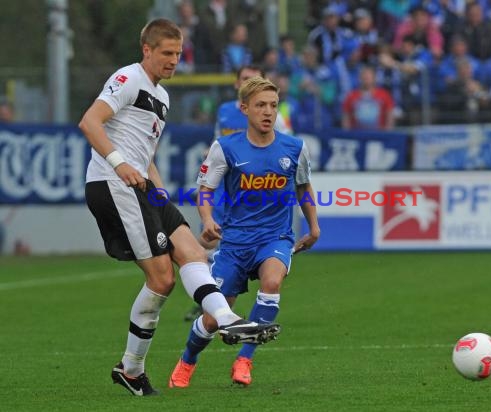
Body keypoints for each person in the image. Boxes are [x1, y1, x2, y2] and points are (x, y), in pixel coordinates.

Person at [78, 18, 279, 397]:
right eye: (167, 53)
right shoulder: (128, 79)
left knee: (193, 252)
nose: (174, 61)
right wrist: (120, 163)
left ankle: (225, 317)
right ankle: (132, 368)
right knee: (162, 279)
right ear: (147, 50)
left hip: (143, 186)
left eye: (178, 54)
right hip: (113, 184)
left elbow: (146, 154)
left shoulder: (163, 97)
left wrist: (161, 196)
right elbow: (90, 122)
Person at [169, 76, 320, 388]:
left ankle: (244, 359)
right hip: (235, 242)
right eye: (261, 105)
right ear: (244, 109)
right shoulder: (225, 147)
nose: (268, 112)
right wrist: (208, 219)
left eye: (273, 106)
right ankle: (187, 360)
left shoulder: (294, 148)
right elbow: (205, 189)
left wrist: (314, 226)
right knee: (212, 319)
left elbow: (303, 186)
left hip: (275, 237)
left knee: (273, 280)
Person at [183, 64, 292, 322]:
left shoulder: (273, 115)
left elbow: (286, 146)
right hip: (226, 186)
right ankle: (210, 300)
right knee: (209, 241)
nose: (249, 81)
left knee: (243, 245)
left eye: (255, 78)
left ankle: (226, 298)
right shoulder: (224, 112)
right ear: (236, 85)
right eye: (245, 78)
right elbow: (219, 140)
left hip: (256, 189)